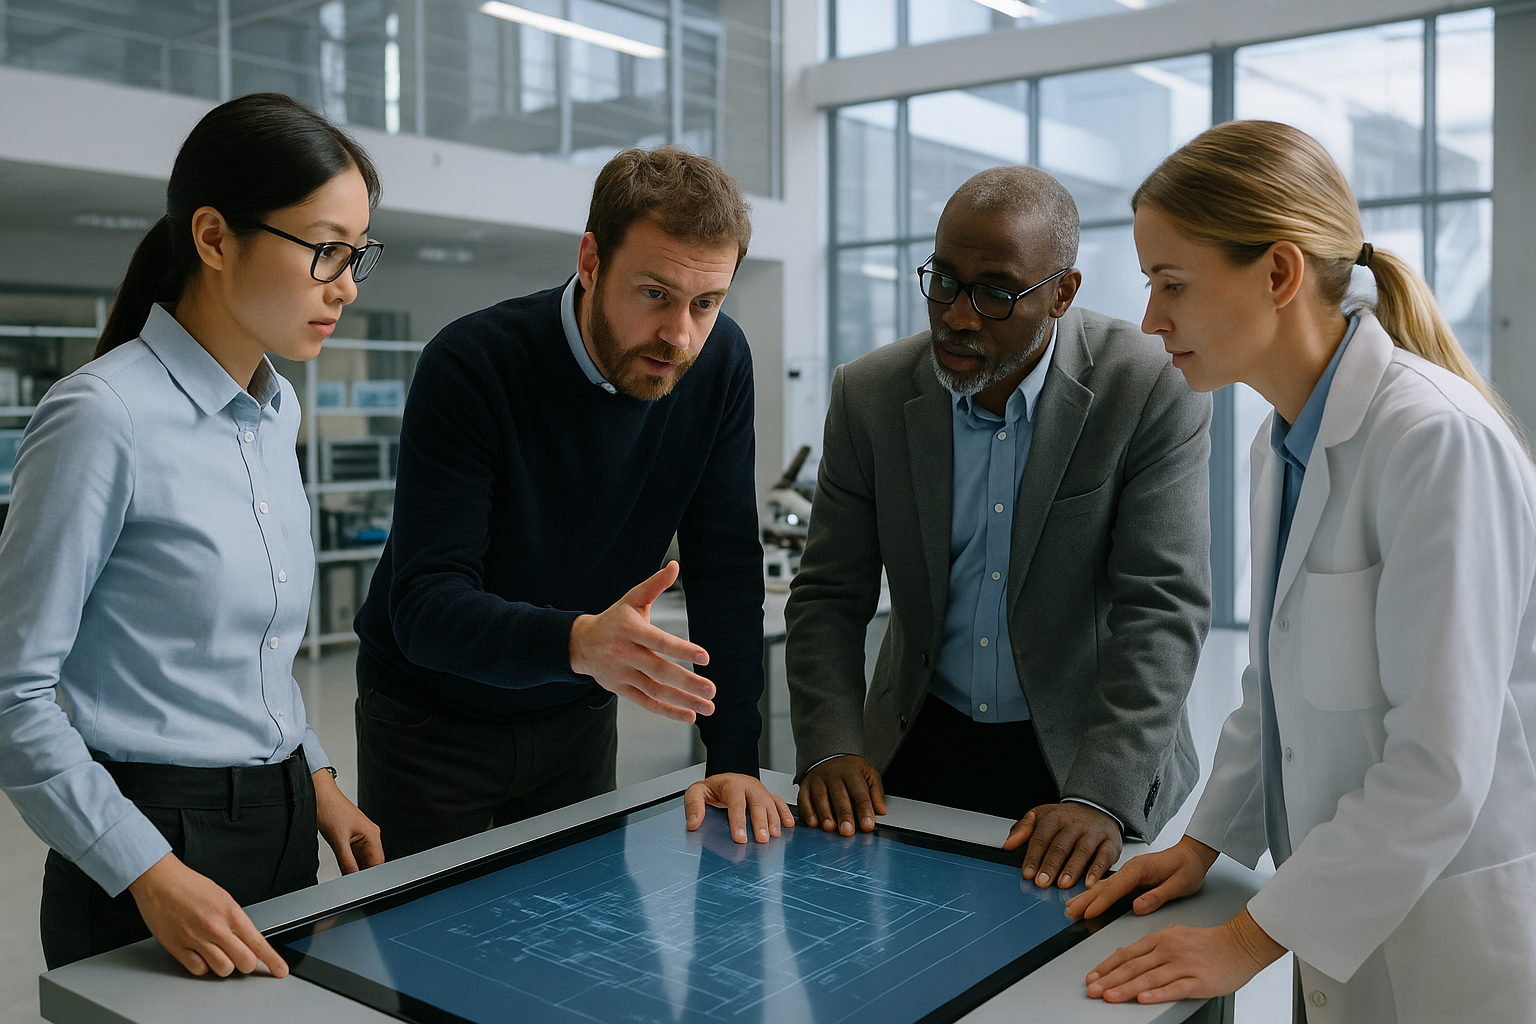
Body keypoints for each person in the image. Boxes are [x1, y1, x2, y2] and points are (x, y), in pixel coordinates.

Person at [1067, 120, 1536, 1023]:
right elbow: (1272, 689)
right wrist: (1202, 843)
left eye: (1171, 283)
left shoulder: (1435, 441)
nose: (1151, 319)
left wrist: (1243, 943)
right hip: (1348, 927)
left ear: (1279, 273)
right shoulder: (1278, 440)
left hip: (1455, 948)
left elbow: (1438, 767)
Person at [0, 93, 386, 977]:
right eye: (325, 248)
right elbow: (12, 694)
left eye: (357, 253)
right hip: (150, 843)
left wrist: (317, 781)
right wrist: (146, 870)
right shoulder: (103, 416)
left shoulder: (274, 408)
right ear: (213, 238)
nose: (347, 284)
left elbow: (255, 654)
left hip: (283, 822)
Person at [352, 146, 792, 859]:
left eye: (705, 303)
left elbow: (725, 561)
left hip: (577, 708)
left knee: (584, 947)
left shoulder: (717, 362)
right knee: (432, 955)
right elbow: (424, 606)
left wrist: (733, 754)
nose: (679, 336)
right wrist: (578, 642)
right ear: (591, 262)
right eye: (654, 293)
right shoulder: (471, 363)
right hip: (430, 717)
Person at [785, 165, 1212, 890]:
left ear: (1061, 294)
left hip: (1082, 755)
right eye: (944, 280)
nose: (957, 315)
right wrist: (829, 747)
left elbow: (1161, 609)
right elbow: (828, 594)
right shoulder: (870, 395)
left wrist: (1097, 796)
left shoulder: (1146, 386)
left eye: (995, 292)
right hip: (915, 740)